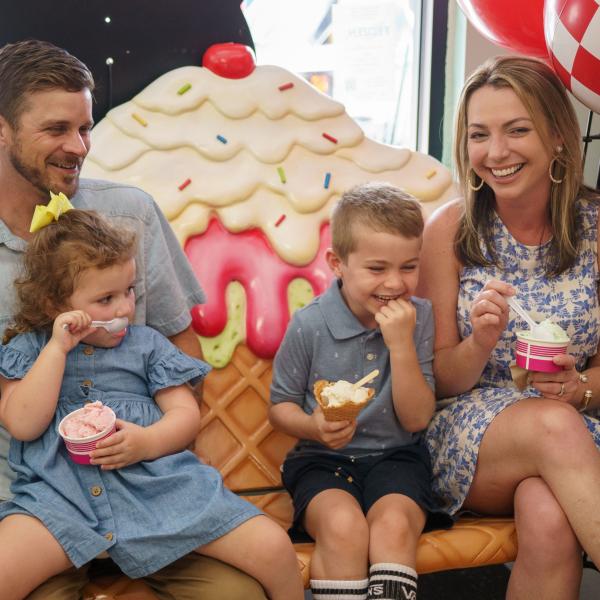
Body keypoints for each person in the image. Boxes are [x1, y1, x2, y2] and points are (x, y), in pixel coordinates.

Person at [0, 39, 268, 599]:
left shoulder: (128, 214)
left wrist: (159, 442)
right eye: (57, 130)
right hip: (32, 501)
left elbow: (181, 347)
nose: (78, 146)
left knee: (238, 594)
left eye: (85, 128)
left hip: (151, 488)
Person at [0, 207, 304, 600]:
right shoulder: (28, 351)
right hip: (60, 503)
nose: (125, 309)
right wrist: (57, 348)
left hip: (160, 494)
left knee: (274, 547)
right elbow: (23, 424)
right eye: (105, 299)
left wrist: (147, 442)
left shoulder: (148, 346)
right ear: (52, 304)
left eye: (129, 291)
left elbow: (184, 414)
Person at [417, 55, 600, 599]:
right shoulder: (448, 230)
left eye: (516, 130)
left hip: (577, 430)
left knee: (547, 514)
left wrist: (581, 388)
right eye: (480, 135)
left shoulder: (597, 227)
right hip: (470, 435)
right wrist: (480, 341)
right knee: (553, 426)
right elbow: (436, 382)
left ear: (558, 138)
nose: (496, 153)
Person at [269, 182, 450, 600]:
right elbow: (279, 408)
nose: (395, 283)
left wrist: (401, 345)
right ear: (338, 263)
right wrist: (314, 426)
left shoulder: (418, 318)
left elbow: (417, 418)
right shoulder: (310, 325)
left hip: (398, 456)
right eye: (377, 268)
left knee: (394, 526)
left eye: (409, 267)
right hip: (321, 459)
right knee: (343, 527)